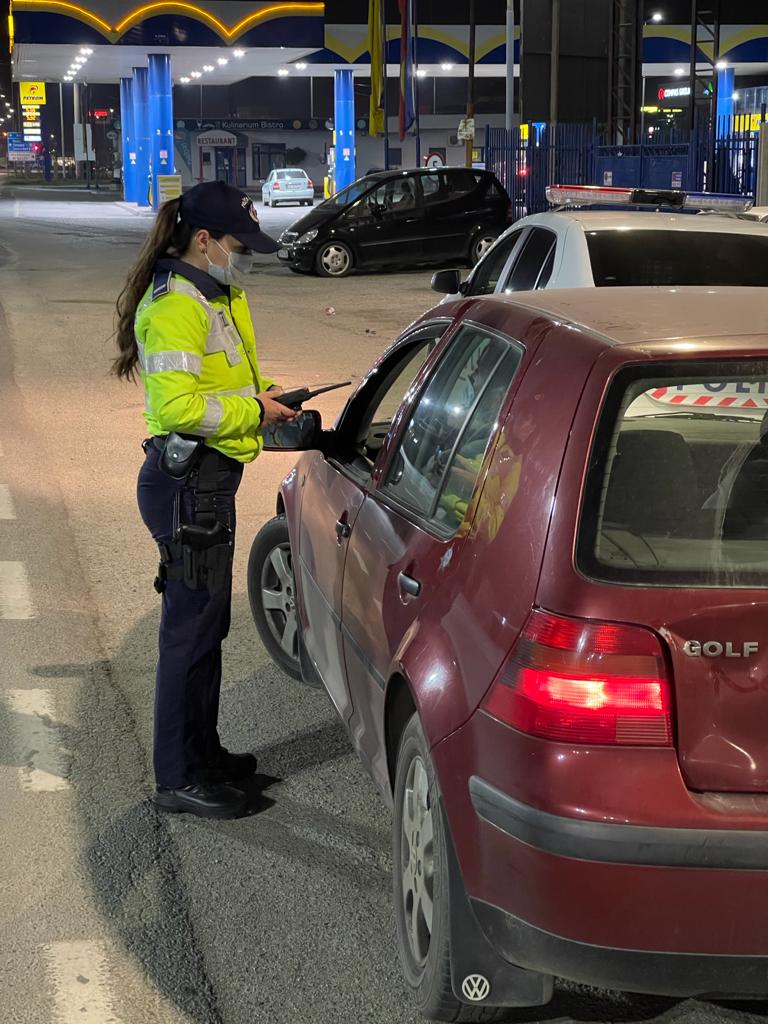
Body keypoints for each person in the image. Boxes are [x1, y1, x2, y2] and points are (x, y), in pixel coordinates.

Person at [112, 180, 296, 819]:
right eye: (236, 246)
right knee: (188, 633)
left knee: (208, 626)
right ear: (203, 240)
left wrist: (269, 397)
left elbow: (228, 381)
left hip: (210, 483)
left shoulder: (220, 295)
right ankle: (177, 777)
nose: (243, 257)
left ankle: (203, 754)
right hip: (185, 484)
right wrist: (254, 411)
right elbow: (178, 408)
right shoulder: (175, 306)